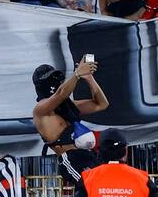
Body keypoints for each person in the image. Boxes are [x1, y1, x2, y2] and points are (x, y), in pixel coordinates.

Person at [31, 56, 107, 185]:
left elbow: (101, 104)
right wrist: (77, 74)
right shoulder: (40, 110)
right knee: (90, 185)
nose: (54, 81)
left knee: (104, 187)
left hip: (89, 154)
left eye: (56, 77)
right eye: (50, 79)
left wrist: (89, 78)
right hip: (71, 158)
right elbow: (60, 94)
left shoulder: (69, 106)